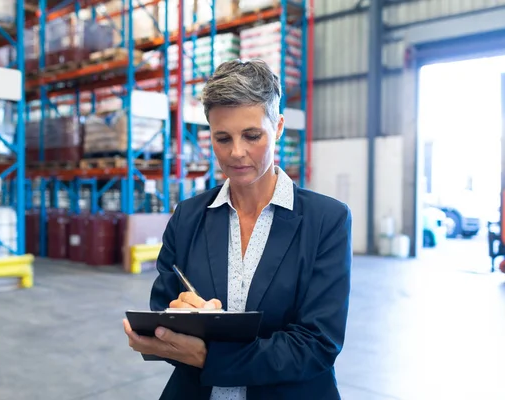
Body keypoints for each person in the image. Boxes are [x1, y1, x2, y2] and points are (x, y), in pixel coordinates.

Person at [123, 59, 352, 400]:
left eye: (252, 135)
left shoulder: (327, 221)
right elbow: (160, 309)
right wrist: (177, 313)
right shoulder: (187, 216)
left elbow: (317, 343)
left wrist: (208, 355)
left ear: (277, 127)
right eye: (222, 138)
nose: (236, 153)